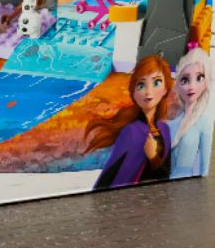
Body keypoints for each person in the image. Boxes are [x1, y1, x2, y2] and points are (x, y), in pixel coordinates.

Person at [85, 54, 173, 190]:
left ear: (165, 89)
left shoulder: (165, 130)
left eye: (156, 83)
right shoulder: (131, 131)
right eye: (141, 85)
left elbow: (166, 175)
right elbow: (113, 172)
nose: (148, 92)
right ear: (134, 93)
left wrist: (153, 157)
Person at [168, 46, 213, 179]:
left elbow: (204, 169)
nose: (191, 86)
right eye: (185, 80)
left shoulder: (204, 121)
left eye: (199, 78)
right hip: (168, 182)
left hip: (187, 183)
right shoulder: (175, 120)